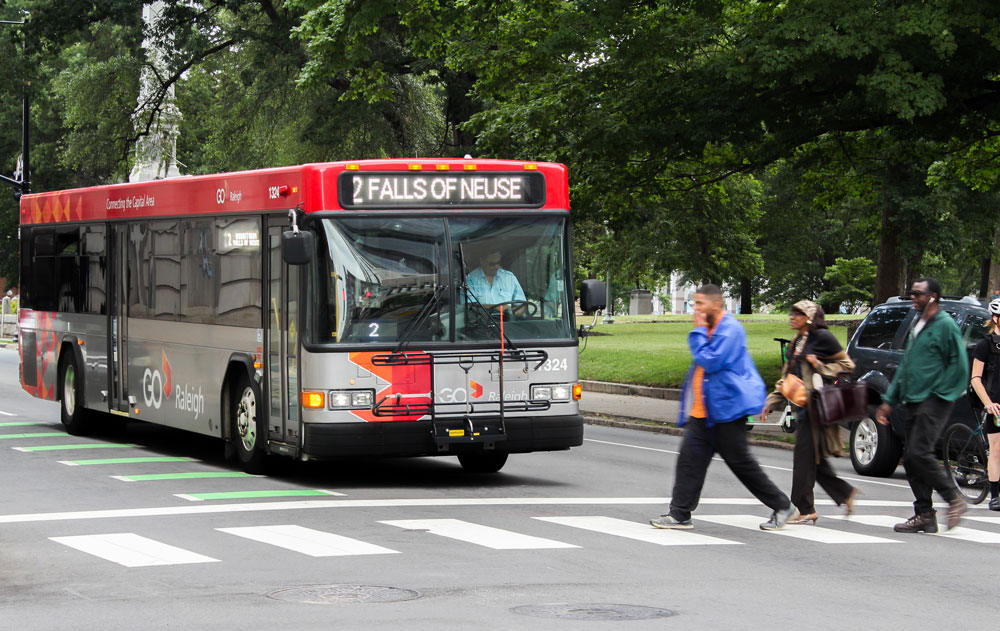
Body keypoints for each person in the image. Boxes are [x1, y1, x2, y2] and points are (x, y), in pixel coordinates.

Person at [650, 284, 799, 531]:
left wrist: (697, 331)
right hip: (705, 413)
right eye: (693, 303)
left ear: (716, 305)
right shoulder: (711, 329)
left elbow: (712, 361)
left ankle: (783, 506)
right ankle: (679, 514)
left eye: (699, 303)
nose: (694, 309)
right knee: (689, 463)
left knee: (742, 465)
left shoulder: (730, 330)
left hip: (727, 412)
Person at [876, 277, 968, 533]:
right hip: (913, 399)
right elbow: (906, 366)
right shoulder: (919, 323)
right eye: (911, 293)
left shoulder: (946, 325)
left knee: (919, 453)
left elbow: (959, 365)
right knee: (912, 458)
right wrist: (889, 401)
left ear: (933, 297)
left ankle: (954, 499)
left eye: (917, 294)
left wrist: (942, 394)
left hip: (934, 400)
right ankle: (925, 514)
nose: (913, 298)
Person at [761, 300, 858, 524]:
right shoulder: (797, 341)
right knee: (812, 458)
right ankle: (844, 493)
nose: (791, 317)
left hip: (817, 405)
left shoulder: (823, 337)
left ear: (810, 317)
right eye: (791, 313)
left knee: (802, 456)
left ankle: (804, 509)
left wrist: (820, 366)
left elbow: (848, 365)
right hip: (802, 405)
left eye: (797, 314)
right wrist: (771, 401)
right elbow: (789, 377)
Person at [969, 298, 1000, 511]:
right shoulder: (985, 345)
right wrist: (988, 403)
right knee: (997, 449)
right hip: (995, 404)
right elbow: (975, 378)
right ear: (995, 318)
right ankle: (995, 495)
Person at [465, 248, 526, 314]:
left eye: (498, 263)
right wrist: (497, 308)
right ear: (482, 261)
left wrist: (514, 314)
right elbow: (469, 306)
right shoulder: (470, 279)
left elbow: (521, 304)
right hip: (482, 322)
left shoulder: (509, 278)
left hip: (508, 322)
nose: (496, 267)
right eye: (492, 264)